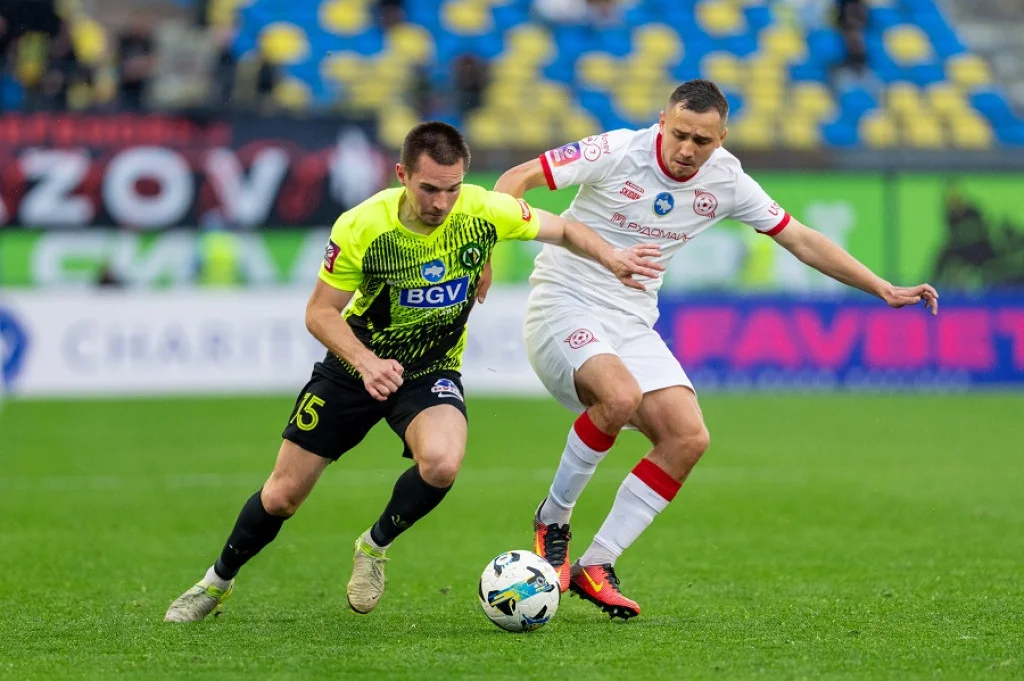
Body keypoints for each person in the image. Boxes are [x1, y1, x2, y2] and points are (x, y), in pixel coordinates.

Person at [163, 121, 663, 622]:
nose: (441, 203)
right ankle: (216, 581)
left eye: (452, 188)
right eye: (429, 189)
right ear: (402, 175)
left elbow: (565, 228)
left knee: (442, 463)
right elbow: (319, 313)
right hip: (354, 366)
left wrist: (612, 257)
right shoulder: (364, 226)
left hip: (429, 369)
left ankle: (374, 546)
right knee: (282, 496)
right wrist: (366, 362)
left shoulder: (484, 210)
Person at [491, 79, 939, 620]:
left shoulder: (727, 179)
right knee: (619, 396)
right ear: (662, 122)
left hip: (631, 321)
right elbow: (515, 179)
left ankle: (597, 563)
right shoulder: (617, 149)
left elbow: (799, 238)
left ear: (721, 138)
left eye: (702, 141)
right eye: (679, 134)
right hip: (564, 303)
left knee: (687, 437)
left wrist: (882, 287)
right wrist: (485, 254)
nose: (687, 149)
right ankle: (553, 520)